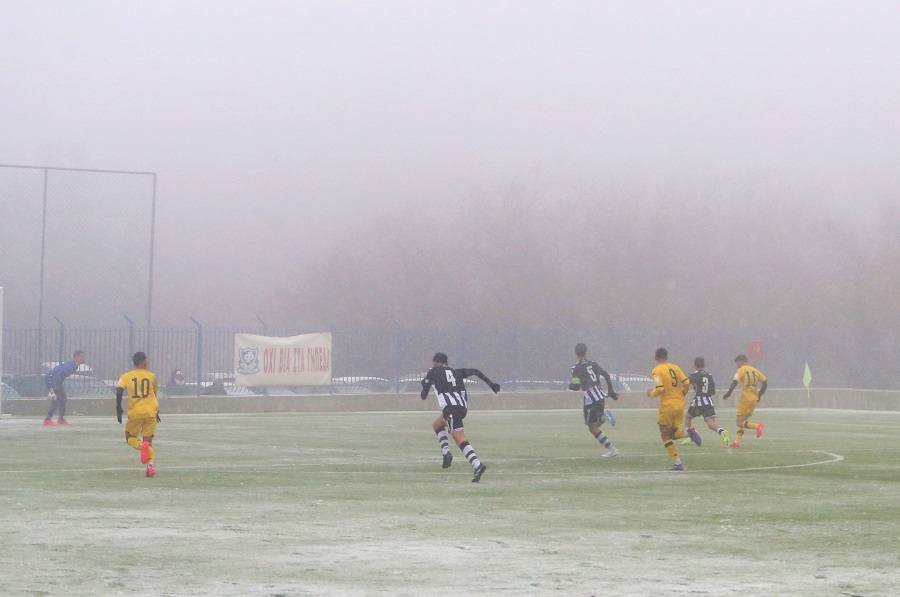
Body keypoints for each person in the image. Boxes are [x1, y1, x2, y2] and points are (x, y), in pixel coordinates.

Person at [420, 352, 501, 482]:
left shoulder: (433, 371)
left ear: (435, 363)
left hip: (451, 409)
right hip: (462, 408)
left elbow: (423, 395)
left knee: (459, 438)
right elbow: (475, 371)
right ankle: (446, 453)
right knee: (437, 425)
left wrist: (424, 384)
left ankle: (477, 465)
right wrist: (492, 384)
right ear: (446, 363)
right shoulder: (456, 372)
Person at [646, 348, 700, 471]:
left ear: (655, 357)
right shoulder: (675, 367)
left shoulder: (657, 370)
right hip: (680, 404)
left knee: (665, 435)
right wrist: (683, 393)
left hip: (667, 406)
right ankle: (687, 432)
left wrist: (651, 393)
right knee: (673, 434)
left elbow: (659, 388)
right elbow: (686, 382)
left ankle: (678, 463)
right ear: (667, 356)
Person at [568, 343, 620, 457]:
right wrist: (610, 391)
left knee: (592, 427)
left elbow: (576, 386)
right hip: (600, 396)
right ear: (585, 352)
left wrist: (570, 385)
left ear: (576, 354)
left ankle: (613, 450)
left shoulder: (576, 368)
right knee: (593, 426)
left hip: (591, 400)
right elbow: (606, 375)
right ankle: (604, 419)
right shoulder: (593, 364)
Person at [115, 351, 160, 477]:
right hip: (151, 411)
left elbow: (119, 390)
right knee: (148, 440)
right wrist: (157, 412)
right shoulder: (151, 376)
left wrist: (118, 407)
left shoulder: (126, 376)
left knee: (129, 437)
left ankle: (141, 445)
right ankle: (150, 467)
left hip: (135, 412)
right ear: (144, 361)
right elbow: (154, 394)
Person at [681, 357, 729, 447]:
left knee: (688, 418)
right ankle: (722, 431)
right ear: (704, 365)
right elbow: (713, 391)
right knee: (710, 423)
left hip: (698, 401)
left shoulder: (694, 375)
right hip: (708, 401)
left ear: (695, 365)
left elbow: (686, 383)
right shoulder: (709, 375)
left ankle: (690, 436)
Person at [722, 354, 768, 448]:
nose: (737, 366)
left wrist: (728, 393)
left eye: (737, 364)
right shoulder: (755, 370)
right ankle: (737, 442)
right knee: (743, 421)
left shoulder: (741, 369)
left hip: (745, 399)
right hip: (754, 399)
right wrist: (760, 394)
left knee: (739, 422)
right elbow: (765, 382)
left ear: (741, 362)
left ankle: (757, 426)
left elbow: (735, 382)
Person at [42, 350, 86, 426]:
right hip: (51, 379)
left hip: (55, 381)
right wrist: (52, 389)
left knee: (63, 399)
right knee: (56, 399)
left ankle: (61, 419)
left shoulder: (74, 366)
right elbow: (57, 376)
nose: (84, 358)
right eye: (82, 356)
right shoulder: (71, 366)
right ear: (76, 357)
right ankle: (47, 419)